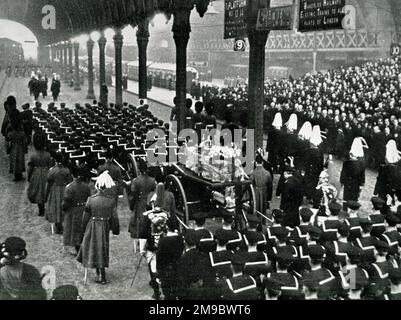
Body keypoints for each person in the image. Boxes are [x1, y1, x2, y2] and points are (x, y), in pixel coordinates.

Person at [77, 171, 120, 285]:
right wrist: (115, 230)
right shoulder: (111, 200)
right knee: (102, 248)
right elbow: (114, 217)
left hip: (93, 224)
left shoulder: (91, 199)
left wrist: (82, 230)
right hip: (104, 225)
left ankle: (101, 274)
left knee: (93, 247)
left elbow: (85, 217)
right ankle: (100, 272)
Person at [62, 164, 91, 255]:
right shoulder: (86, 186)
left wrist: (64, 209)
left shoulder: (69, 187)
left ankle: (79, 249)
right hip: (84, 209)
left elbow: (65, 202)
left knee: (74, 230)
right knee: (83, 229)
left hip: (73, 210)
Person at [128, 160, 156, 253]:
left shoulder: (136, 181)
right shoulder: (152, 180)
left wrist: (132, 206)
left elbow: (133, 195)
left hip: (140, 203)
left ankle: (141, 247)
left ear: (139, 169)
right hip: (149, 202)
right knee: (149, 222)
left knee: (140, 223)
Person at [156, 218, 184, 300]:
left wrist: (159, 274)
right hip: (178, 269)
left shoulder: (163, 241)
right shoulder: (180, 239)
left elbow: (159, 258)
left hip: (166, 271)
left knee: (167, 294)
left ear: (167, 227)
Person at [46, 152, 73, 234]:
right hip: (64, 189)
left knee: (56, 207)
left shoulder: (52, 170)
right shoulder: (66, 170)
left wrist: (47, 192)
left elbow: (49, 181)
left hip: (55, 190)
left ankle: (58, 224)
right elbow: (70, 181)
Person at [27, 133, 54, 217]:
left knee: (38, 191)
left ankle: (41, 209)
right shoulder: (48, 155)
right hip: (46, 173)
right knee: (46, 190)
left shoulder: (33, 156)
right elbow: (50, 166)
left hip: (37, 173)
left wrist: (29, 177)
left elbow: (30, 168)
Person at [340, 138, 366, 211]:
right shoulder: (361, 164)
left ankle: (345, 208)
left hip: (348, 182)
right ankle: (352, 208)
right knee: (354, 195)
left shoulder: (346, 163)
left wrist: (342, 181)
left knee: (347, 195)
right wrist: (362, 183)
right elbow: (362, 175)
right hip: (356, 183)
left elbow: (343, 173)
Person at [6, 113, 27, 182]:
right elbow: (25, 142)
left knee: (14, 161)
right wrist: (25, 149)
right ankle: (20, 174)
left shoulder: (11, 133)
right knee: (20, 161)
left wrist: (8, 149)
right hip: (20, 147)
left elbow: (7, 138)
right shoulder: (22, 133)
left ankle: (15, 175)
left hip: (13, 147)